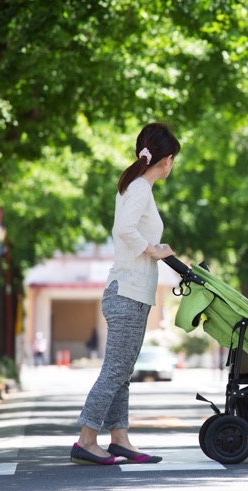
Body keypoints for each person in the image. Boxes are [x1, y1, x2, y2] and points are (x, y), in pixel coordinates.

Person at [71, 122, 180, 466]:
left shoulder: (136, 188)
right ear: (165, 160)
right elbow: (124, 230)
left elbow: (129, 232)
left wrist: (154, 249)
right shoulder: (139, 189)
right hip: (127, 292)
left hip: (133, 292)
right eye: (173, 158)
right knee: (116, 371)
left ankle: (119, 438)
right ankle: (86, 439)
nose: (172, 164)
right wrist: (152, 250)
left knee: (122, 371)